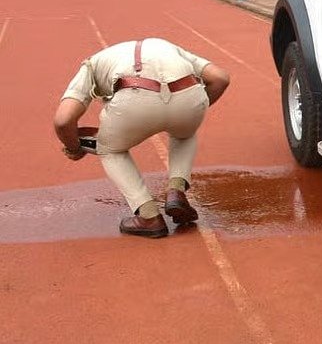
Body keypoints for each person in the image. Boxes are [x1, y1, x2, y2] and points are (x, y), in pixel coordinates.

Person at [53, 38, 231, 237]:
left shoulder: (90, 65)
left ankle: (148, 216)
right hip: (188, 94)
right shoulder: (169, 46)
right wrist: (194, 109)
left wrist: (74, 148)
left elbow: (63, 121)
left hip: (133, 98)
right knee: (184, 135)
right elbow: (220, 78)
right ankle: (176, 190)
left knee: (110, 150)